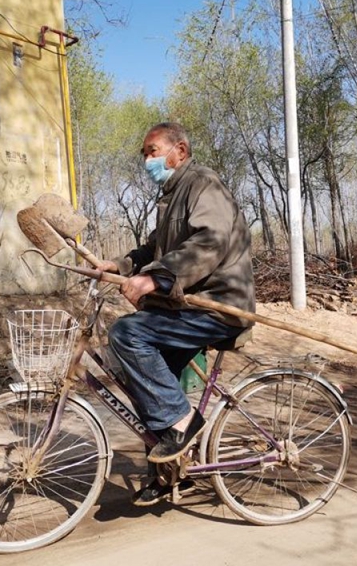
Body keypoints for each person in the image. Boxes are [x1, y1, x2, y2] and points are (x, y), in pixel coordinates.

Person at [97, 122, 256, 506]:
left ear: (179, 151)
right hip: (188, 304)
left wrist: (157, 278)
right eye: (144, 154)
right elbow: (153, 249)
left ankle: (184, 423)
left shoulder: (203, 185)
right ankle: (171, 475)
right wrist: (120, 265)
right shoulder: (171, 196)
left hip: (218, 304)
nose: (146, 161)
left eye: (152, 151)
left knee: (127, 334)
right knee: (142, 384)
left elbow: (210, 242)